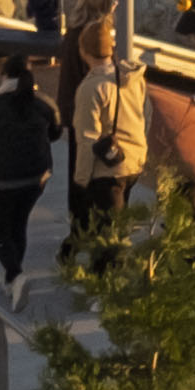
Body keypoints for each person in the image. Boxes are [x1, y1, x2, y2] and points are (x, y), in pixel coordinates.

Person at [0, 52, 61, 296]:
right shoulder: (41, 103)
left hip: (0, 180)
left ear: (4, 75)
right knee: (19, 224)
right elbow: (56, 131)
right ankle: (11, 280)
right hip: (35, 178)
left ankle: (15, 275)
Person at [66, 28, 150, 255]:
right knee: (117, 223)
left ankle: (107, 278)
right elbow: (145, 115)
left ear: (84, 51)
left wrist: (81, 178)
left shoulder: (91, 88)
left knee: (108, 237)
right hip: (133, 160)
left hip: (108, 170)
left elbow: (86, 138)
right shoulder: (133, 78)